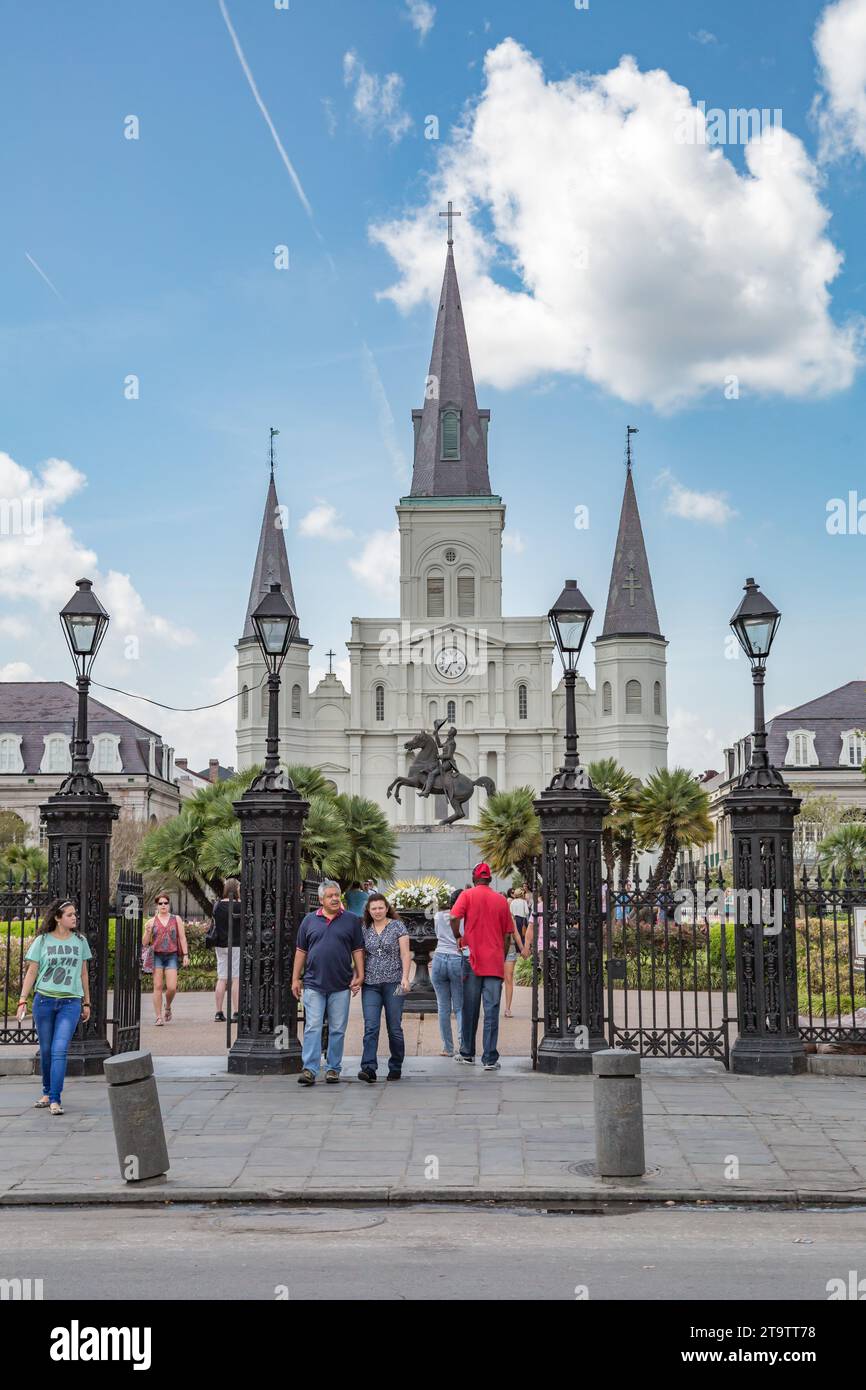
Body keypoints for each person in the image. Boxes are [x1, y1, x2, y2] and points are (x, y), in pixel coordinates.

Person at [16, 898, 91, 1116]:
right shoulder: (42, 941)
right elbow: (32, 971)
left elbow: (84, 973)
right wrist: (23, 999)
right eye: (69, 914)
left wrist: (86, 1002)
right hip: (44, 1001)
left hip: (70, 1002)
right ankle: (47, 1092)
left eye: (75, 914)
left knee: (59, 1050)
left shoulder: (80, 941)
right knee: (47, 1050)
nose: (74, 917)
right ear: (58, 918)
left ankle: (55, 1099)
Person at [291, 879, 364, 1086]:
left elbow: (357, 949)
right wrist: (296, 978)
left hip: (341, 984)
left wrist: (360, 974)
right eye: (330, 896)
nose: (334, 899)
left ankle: (333, 1068)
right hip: (314, 983)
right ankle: (310, 1069)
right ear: (321, 899)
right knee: (312, 1026)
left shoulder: (351, 920)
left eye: (336, 895)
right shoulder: (309, 921)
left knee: (337, 1028)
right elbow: (301, 951)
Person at [451, 863, 514, 1071]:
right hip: (494, 961)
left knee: (470, 1008)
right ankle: (489, 1058)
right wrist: (502, 955)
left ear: (474, 877)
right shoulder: (501, 900)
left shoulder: (467, 895)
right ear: (490, 879)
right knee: (492, 1010)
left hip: (472, 959)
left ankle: (467, 1052)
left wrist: (458, 936)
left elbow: (453, 917)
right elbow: (507, 934)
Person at [357, 893, 411, 1082]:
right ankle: (369, 1067)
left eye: (381, 907)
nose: (378, 911)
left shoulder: (397, 926)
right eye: (374, 908)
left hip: (395, 983)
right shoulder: (364, 928)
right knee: (371, 1026)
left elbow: (405, 954)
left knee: (394, 1026)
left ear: (386, 908)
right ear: (369, 911)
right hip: (371, 984)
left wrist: (405, 978)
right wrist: (358, 977)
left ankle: (396, 1065)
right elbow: (360, 955)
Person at [142, 892, 189, 1026]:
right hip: (156, 955)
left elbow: (182, 938)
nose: (163, 905)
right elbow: (145, 943)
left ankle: (167, 1006)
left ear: (169, 904)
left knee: (172, 987)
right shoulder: (151, 921)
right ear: (156, 905)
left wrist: (186, 955)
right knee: (157, 986)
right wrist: (147, 931)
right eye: (160, 903)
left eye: (165, 903)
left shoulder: (176, 919)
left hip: (171, 955)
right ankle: (158, 1016)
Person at [430, 888, 466, 1057]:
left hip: (438, 957)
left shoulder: (438, 916)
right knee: (459, 1007)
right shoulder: (464, 918)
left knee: (443, 1006)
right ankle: (463, 1045)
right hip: (457, 958)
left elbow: (438, 934)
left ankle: (447, 1047)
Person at [211, 878, 241, 1023]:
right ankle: (236, 1012)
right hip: (236, 944)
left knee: (222, 977)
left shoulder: (217, 906)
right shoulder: (239, 906)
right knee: (236, 978)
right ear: (236, 889)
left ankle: (218, 1012)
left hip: (220, 943)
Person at [504, 888, 530, 1017]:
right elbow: (517, 935)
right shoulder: (510, 917)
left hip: (500, 949)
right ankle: (507, 1008)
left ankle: (502, 1007)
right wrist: (524, 950)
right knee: (508, 979)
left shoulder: (509, 915)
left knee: (499, 980)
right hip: (510, 948)